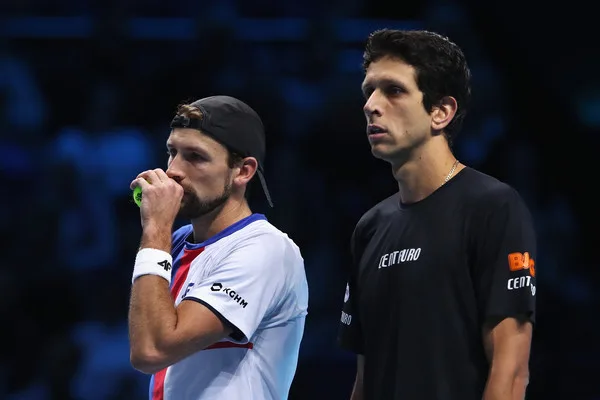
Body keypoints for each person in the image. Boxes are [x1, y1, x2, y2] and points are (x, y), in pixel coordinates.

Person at [337, 29, 536, 400]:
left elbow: (509, 373)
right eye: (369, 91)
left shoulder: (493, 206)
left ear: (441, 112)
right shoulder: (369, 228)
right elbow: (366, 377)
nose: (371, 105)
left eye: (393, 91)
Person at [128, 95, 309, 400]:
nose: (173, 170)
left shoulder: (265, 250)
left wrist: (156, 228)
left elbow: (152, 350)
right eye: (172, 152)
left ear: (243, 171)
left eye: (195, 157)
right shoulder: (176, 242)